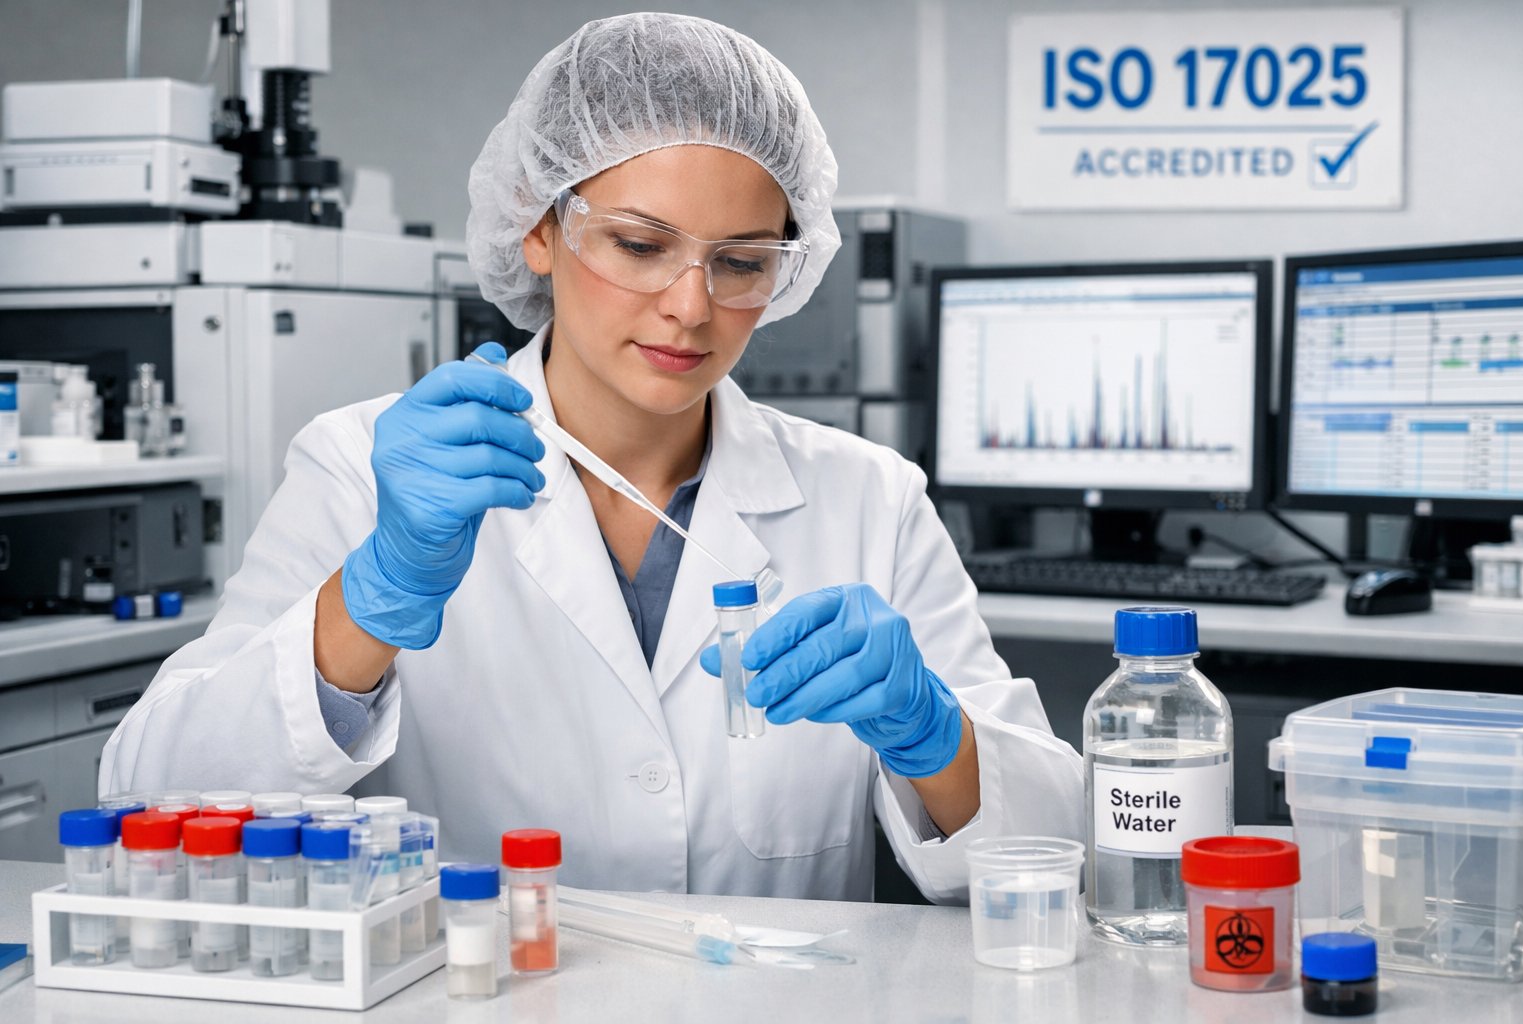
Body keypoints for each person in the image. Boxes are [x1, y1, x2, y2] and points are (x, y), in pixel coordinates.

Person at [101, 12, 1081, 902]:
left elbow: (1058, 852)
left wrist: (936, 736)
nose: (691, 305)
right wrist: (371, 598)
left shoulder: (868, 499)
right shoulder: (361, 468)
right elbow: (147, 799)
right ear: (538, 224)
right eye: (639, 243)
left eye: (741, 261)